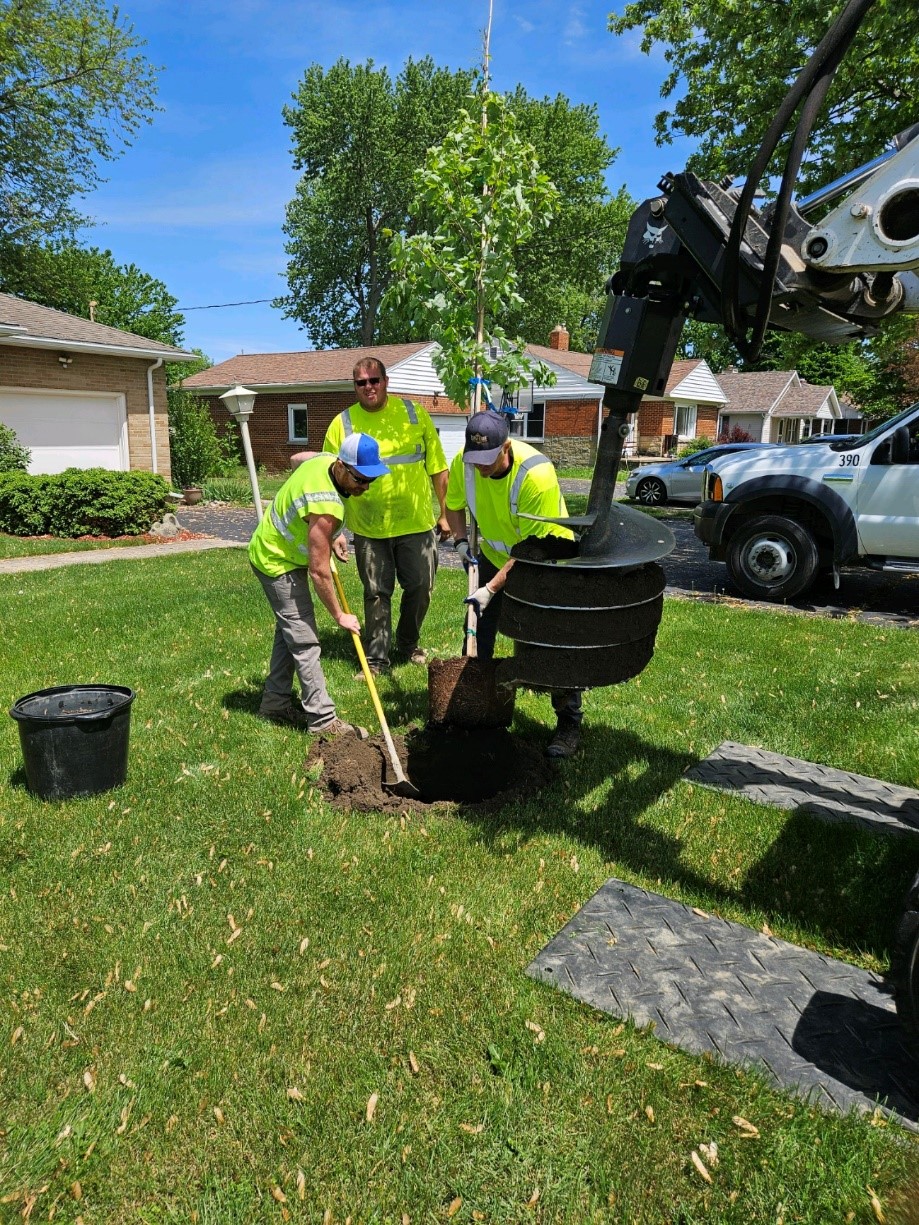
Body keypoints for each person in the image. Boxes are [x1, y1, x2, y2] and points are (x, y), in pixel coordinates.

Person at [445, 410, 584, 758]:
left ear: (506, 447)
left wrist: (491, 588)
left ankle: (568, 722)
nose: (480, 468)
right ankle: (474, 708)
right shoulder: (466, 461)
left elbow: (531, 552)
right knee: (476, 629)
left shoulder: (536, 476)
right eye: (475, 460)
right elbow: (453, 505)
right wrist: (462, 542)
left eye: (488, 460)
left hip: (546, 561)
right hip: (495, 553)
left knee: (548, 643)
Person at [248, 433, 391, 735]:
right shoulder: (326, 506)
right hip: (276, 560)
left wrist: (332, 534)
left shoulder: (323, 460)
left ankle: (274, 703)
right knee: (305, 640)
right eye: (360, 479)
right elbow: (319, 571)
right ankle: (323, 720)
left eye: (371, 480)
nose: (364, 488)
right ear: (341, 466)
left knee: (291, 628)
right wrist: (340, 616)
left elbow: (297, 459)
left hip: (278, 552)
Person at [323, 357, 449, 676]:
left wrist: (446, 513)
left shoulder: (413, 414)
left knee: (421, 586)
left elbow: (438, 468)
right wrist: (335, 529)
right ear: (354, 386)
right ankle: (377, 658)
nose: (368, 387)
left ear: (385, 381)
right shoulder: (342, 423)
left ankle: (408, 642)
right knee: (377, 592)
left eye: (374, 380)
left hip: (416, 523)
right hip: (368, 527)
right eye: (361, 382)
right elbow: (330, 479)